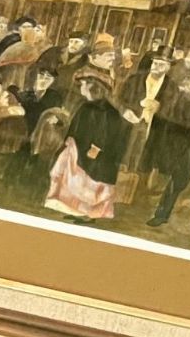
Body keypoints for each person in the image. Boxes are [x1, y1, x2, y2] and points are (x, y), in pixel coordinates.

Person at [45, 70, 129, 223]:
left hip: (95, 155)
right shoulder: (86, 106)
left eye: (84, 84)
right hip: (79, 150)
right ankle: (78, 211)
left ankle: (91, 216)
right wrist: (59, 124)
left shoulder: (106, 111)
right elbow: (77, 128)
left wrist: (95, 149)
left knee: (91, 185)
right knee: (77, 183)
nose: (81, 88)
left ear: (94, 87)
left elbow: (105, 134)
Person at [146, 60, 190, 228]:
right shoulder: (181, 97)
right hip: (181, 145)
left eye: (186, 84)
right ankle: (161, 215)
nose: (182, 87)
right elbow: (172, 119)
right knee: (176, 182)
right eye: (183, 84)